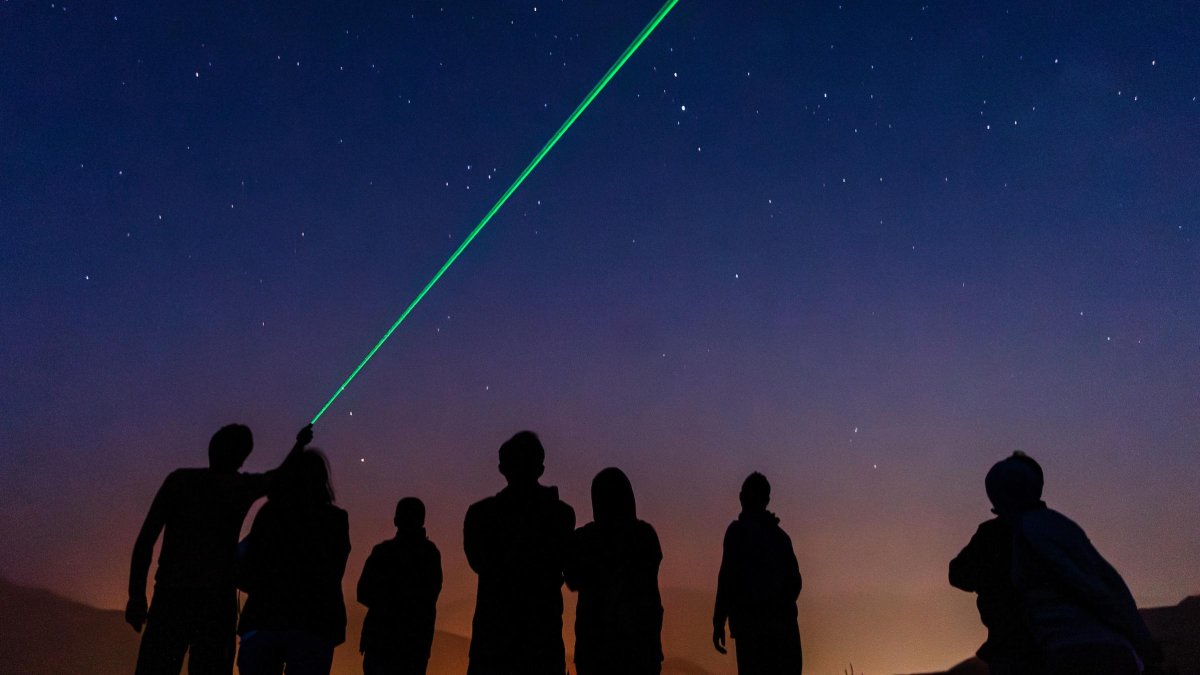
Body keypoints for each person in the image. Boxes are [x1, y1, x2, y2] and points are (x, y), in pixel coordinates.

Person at [126, 423, 312, 675]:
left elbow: (146, 540)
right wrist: (299, 445)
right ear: (242, 456)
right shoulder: (239, 487)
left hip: (171, 598)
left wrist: (137, 596)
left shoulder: (179, 481)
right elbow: (277, 478)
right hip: (215, 605)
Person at [986, 454, 1163, 675]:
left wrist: (1141, 640)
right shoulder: (1053, 526)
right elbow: (1107, 580)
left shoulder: (1035, 529)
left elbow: (1091, 586)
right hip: (1089, 650)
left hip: (1082, 653)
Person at [463, 431, 576, 675]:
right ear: (540, 468)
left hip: (493, 643)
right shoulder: (561, 516)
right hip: (542, 641)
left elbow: (478, 562)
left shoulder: (481, 516)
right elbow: (571, 572)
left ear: (503, 467)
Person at [236, 448, 351, 675]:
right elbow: (334, 570)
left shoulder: (270, 514)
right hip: (315, 624)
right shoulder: (335, 520)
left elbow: (250, 567)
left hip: (264, 618)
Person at [564, 467, 664, 675]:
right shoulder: (645, 536)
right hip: (641, 649)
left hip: (596, 650)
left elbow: (572, 579)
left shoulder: (586, 539)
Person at [949, 451, 1040, 675]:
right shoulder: (1060, 530)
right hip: (1045, 644)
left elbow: (958, 574)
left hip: (1013, 646)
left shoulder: (992, 534)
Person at [712, 472, 803, 675]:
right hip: (782, 633)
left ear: (743, 497)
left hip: (753, 634)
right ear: (767, 500)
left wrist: (719, 621)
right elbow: (795, 582)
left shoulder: (737, 533)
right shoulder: (781, 539)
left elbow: (726, 579)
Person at [358, 497, 443, 675]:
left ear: (396, 519)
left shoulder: (383, 552)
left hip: (384, 643)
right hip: (412, 645)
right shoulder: (429, 554)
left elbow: (363, 592)